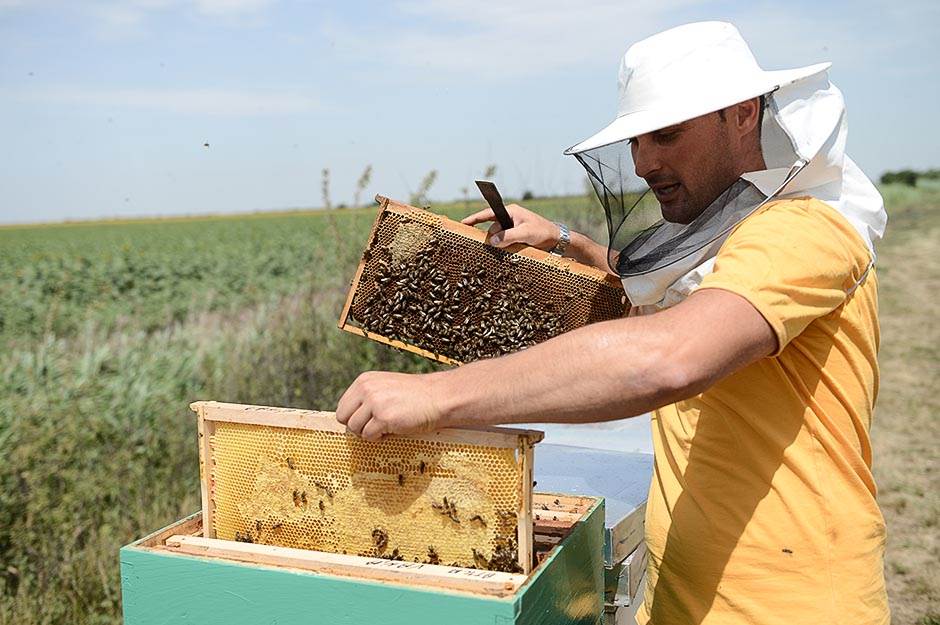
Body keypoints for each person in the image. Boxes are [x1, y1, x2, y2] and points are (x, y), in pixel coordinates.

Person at [336, 21, 890, 625]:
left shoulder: (802, 230)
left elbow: (669, 355)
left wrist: (436, 394)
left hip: (791, 606)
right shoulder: (734, 236)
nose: (645, 161)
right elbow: (665, 282)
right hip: (689, 592)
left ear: (742, 115)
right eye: (636, 141)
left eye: (667, 135)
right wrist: (565, 239)